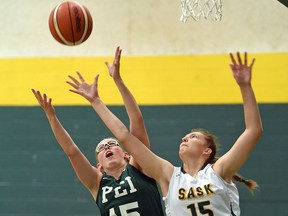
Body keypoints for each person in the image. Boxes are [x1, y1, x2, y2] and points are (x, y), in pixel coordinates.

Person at [67, 51, 263, 216]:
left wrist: (245, 87)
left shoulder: (219, 171)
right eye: (185, 137)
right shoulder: (169, 175)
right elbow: (124, 136)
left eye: (193, 137)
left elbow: (253, 131)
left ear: (207, 151)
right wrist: (98, 99)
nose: (185, 138)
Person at [32, 47, 165, 216]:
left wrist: (117, 80)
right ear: (99, 165)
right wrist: (51, 117)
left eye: (111, 144)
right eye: (101, 148)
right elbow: (71, 151)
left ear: (126, 154)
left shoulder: (140, 167)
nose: (106, 148)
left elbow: (136, 120)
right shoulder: (96, 183)